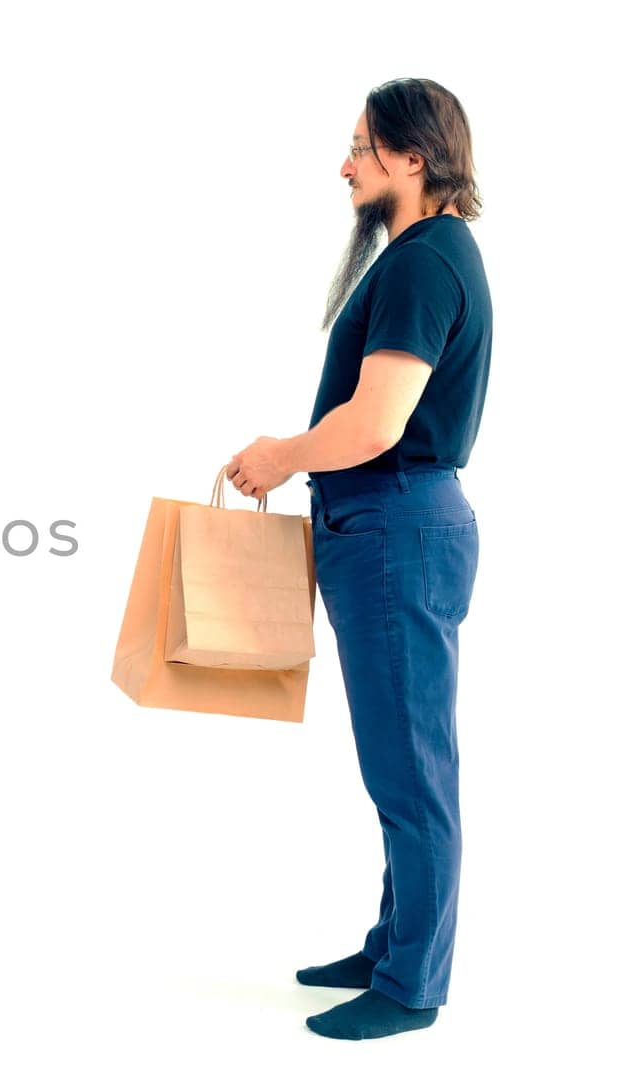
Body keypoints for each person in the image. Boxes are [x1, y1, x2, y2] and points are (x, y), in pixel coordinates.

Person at [224, 78, 491, 1040]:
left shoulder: (424, 263)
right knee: (397, 762)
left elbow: (375, 424)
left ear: (411, 159)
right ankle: (392, 945)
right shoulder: (425, 256)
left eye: (360, 148)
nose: (344, 165)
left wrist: (276, 455)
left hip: (394, 528)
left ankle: (412, 986)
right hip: (389, 529)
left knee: (412, 768)